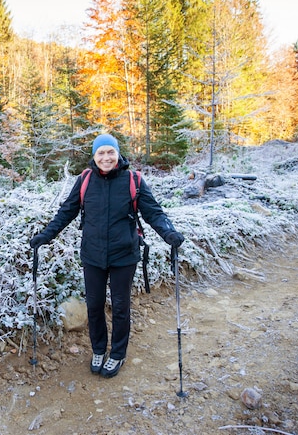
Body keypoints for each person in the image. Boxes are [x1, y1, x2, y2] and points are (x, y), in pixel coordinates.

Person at [29, 134, 184, 378]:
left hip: (124, 255)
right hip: (93, 254)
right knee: (94, 305)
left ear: (118, 154)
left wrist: (169, 234)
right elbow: (66, 212)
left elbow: (154, 213)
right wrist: (45, 236)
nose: (106, 157)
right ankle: (99, 349)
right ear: (94, 156)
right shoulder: (85, 180)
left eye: (110, 152)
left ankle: (118, 353)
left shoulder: (134, 180)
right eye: (100, 153)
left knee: (121, 306)